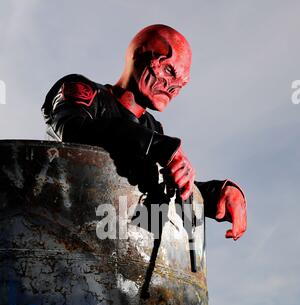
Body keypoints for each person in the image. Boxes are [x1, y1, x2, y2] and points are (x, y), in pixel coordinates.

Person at [42, 24, 247, 240]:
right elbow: (72, 132)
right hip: (67, 231)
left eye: (181, 84)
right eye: (168, 70)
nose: (172, 87)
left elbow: (165, 184)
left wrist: (218, 194)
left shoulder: (152, 128)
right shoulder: (85, 92)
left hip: (126, 249)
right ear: (138, 54)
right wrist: (158, 146)